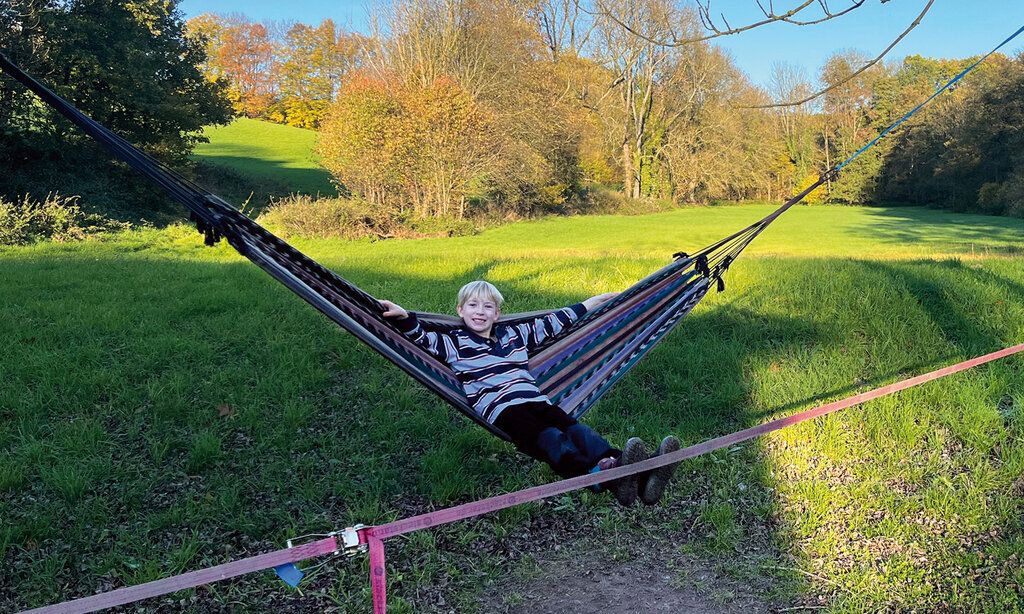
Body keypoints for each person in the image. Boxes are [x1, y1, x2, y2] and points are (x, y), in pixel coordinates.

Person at [380, 280, 680, 506]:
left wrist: (593, 302)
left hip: (536, 400)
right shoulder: (454, 342)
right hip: (503, 410)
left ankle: (637, 473)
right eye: (472, 305)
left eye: (487, 307)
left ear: (497, 314)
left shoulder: (515, 335)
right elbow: (423, 339)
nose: (480, 312)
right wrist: (404, 317)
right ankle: (599, 477)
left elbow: (554, 322)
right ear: (460, 310)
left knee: (580, 431)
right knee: (552, 439)